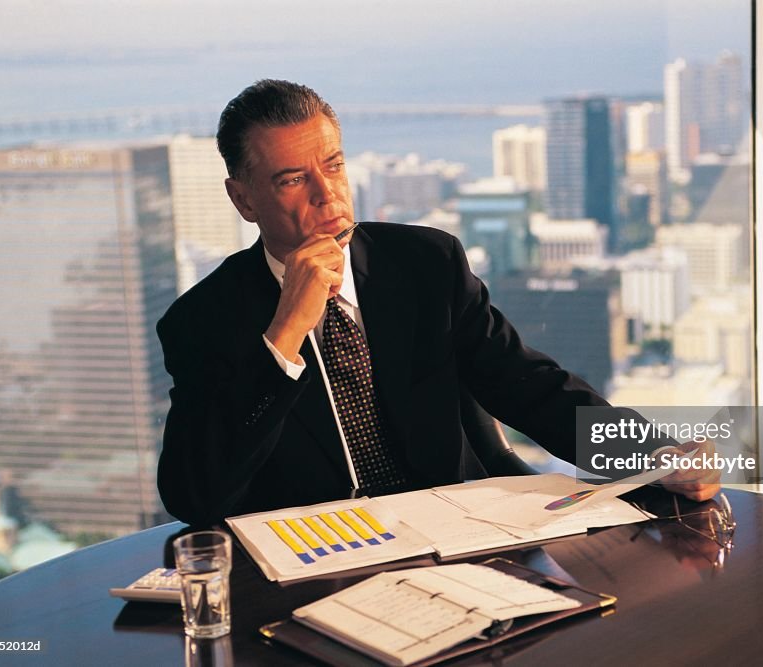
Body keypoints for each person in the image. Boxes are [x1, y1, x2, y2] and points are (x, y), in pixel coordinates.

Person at [156, 79, 719, 526]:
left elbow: (530, 386)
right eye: (292, 180)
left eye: (333, 165)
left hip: (459, 534)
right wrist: (282, 341)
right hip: (316, 564)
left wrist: (651, 455)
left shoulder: (425, 263)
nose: (327, 194)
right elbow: (195, 496)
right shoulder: (201, 321)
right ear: (243, 199)